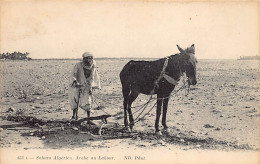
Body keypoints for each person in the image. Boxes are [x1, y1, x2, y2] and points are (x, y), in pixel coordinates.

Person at [69, 52, 101, 121]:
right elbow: (73, 74)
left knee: (88, 101)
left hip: (87, 85)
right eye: (88, 58)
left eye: (90, 58)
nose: (89, 60)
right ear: (84, 59)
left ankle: (88, 119)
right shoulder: (78, 65)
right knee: (75, 100)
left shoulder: (93, 66)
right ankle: (74, 116)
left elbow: (94, 77)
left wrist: (92, 87)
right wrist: (75, 81)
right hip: (77, 85)